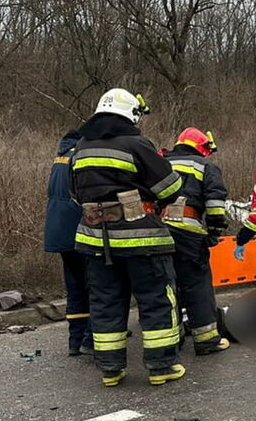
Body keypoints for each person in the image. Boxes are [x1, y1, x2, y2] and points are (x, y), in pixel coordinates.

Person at [70, 88, 186, 387]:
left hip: (96, 241)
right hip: (142, 240)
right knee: (156, 300)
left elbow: (74, 193)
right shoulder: (136, 143)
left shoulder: (81, 147)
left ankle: (111, 369)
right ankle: (161, 366)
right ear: (131, 114)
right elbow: (170, 188)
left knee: (106, 302)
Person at [162, 127, 230, 355]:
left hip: (157, 231)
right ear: (202, 147)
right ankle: (206, 340)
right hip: (188, 233)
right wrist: (213, 232)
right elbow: (215, 205)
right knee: (196, 285)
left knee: (164, 286)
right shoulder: (206, 166)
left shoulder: (159, 162)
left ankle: (171, 340)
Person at [43, 129, 92, 356]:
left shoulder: (60, 157)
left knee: (74, 286)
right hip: (78, 230)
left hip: (59, 231)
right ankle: (92, 337)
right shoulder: (80, 157)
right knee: (94, 284)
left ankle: (75, 339)